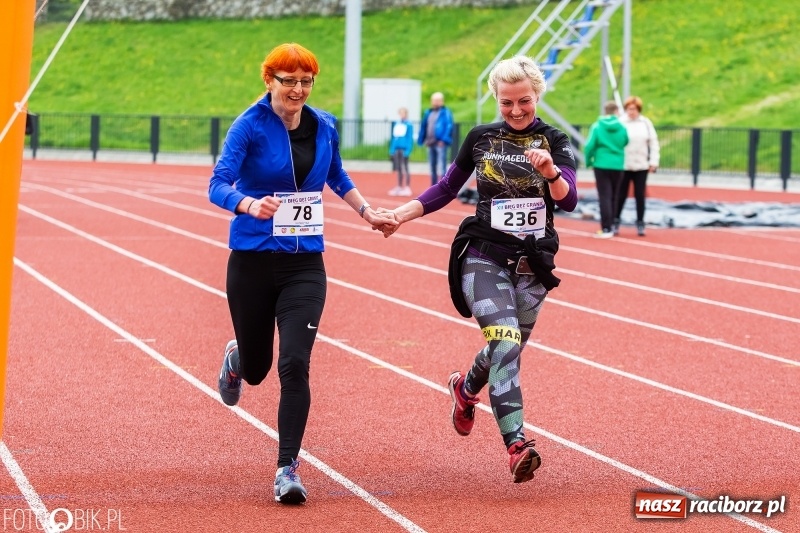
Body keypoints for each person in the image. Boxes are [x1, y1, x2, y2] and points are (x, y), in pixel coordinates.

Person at [208, 42, 395, 505]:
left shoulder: (324, 124)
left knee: (294, 364)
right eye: (287, 80)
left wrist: (367, 211)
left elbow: (337, 175)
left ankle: (287, 468)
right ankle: (237, 360)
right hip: (251, 261)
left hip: (304, 265)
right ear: (269, 80)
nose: (297, 89)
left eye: (305, 80)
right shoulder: (248, 126)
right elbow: (217, 184)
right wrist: (250, 204)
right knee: (257, 371)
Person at [375, 56, 578, 483]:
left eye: (524, 101)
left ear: (537, 95)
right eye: (507, 103)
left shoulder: (555, 140)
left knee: (507, 349)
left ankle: (465, 390)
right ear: (496, 99)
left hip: (533, 267)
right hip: (483, 257)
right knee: (505, 343)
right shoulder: (481, 138)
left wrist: (551, 172)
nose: (516, 110)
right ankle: (517, 443)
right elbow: (447, 186)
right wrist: (400, 214)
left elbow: (568, 199)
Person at [615, 96, 660, 236]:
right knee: (621, 194)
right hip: (624, 165)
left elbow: (653, 143)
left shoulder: (646, 123)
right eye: (629, 109)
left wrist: (653, 162)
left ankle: (640, 223)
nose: (631, 111)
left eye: (633, 109)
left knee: (640, 195)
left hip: (641, 165)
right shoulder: (620, 122)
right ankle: (615, 221)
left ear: (638, 110)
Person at [584, 101, 629, 238]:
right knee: (615, 196)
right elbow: (626, 141)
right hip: (618, 165)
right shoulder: (622, 126)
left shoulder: (597, 126)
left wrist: (589, 162)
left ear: (605, 111)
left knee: (604, 196)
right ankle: (613, 226)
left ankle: (606, 228)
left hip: (601, 164)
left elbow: (589, 146)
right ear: (616, 111)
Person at [417, 91, 454, 186]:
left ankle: (443, 187)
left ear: (442, 101)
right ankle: (433, 186)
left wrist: (443, 140)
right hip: (430, 143)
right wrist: (423, 139)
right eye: (434, 100)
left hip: (440, 143)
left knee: (442, 166)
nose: (435, 102)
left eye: (437, 100)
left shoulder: (446, 113)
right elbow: (424, 126)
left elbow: (449, 126)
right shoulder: (428, 112)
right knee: (432, 166)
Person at [388, 107, 414, 196]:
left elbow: (409, 138)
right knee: (398, 168)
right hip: (397, 149)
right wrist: (392, 150)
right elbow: (394, 138)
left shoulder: (409, 125)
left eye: (403, 113)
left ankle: (407, 187)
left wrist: (408, 150)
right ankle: (399, 186)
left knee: (405, 168)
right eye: (401, 113)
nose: (402, 115)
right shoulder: (397, 124)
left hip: (404, 149)